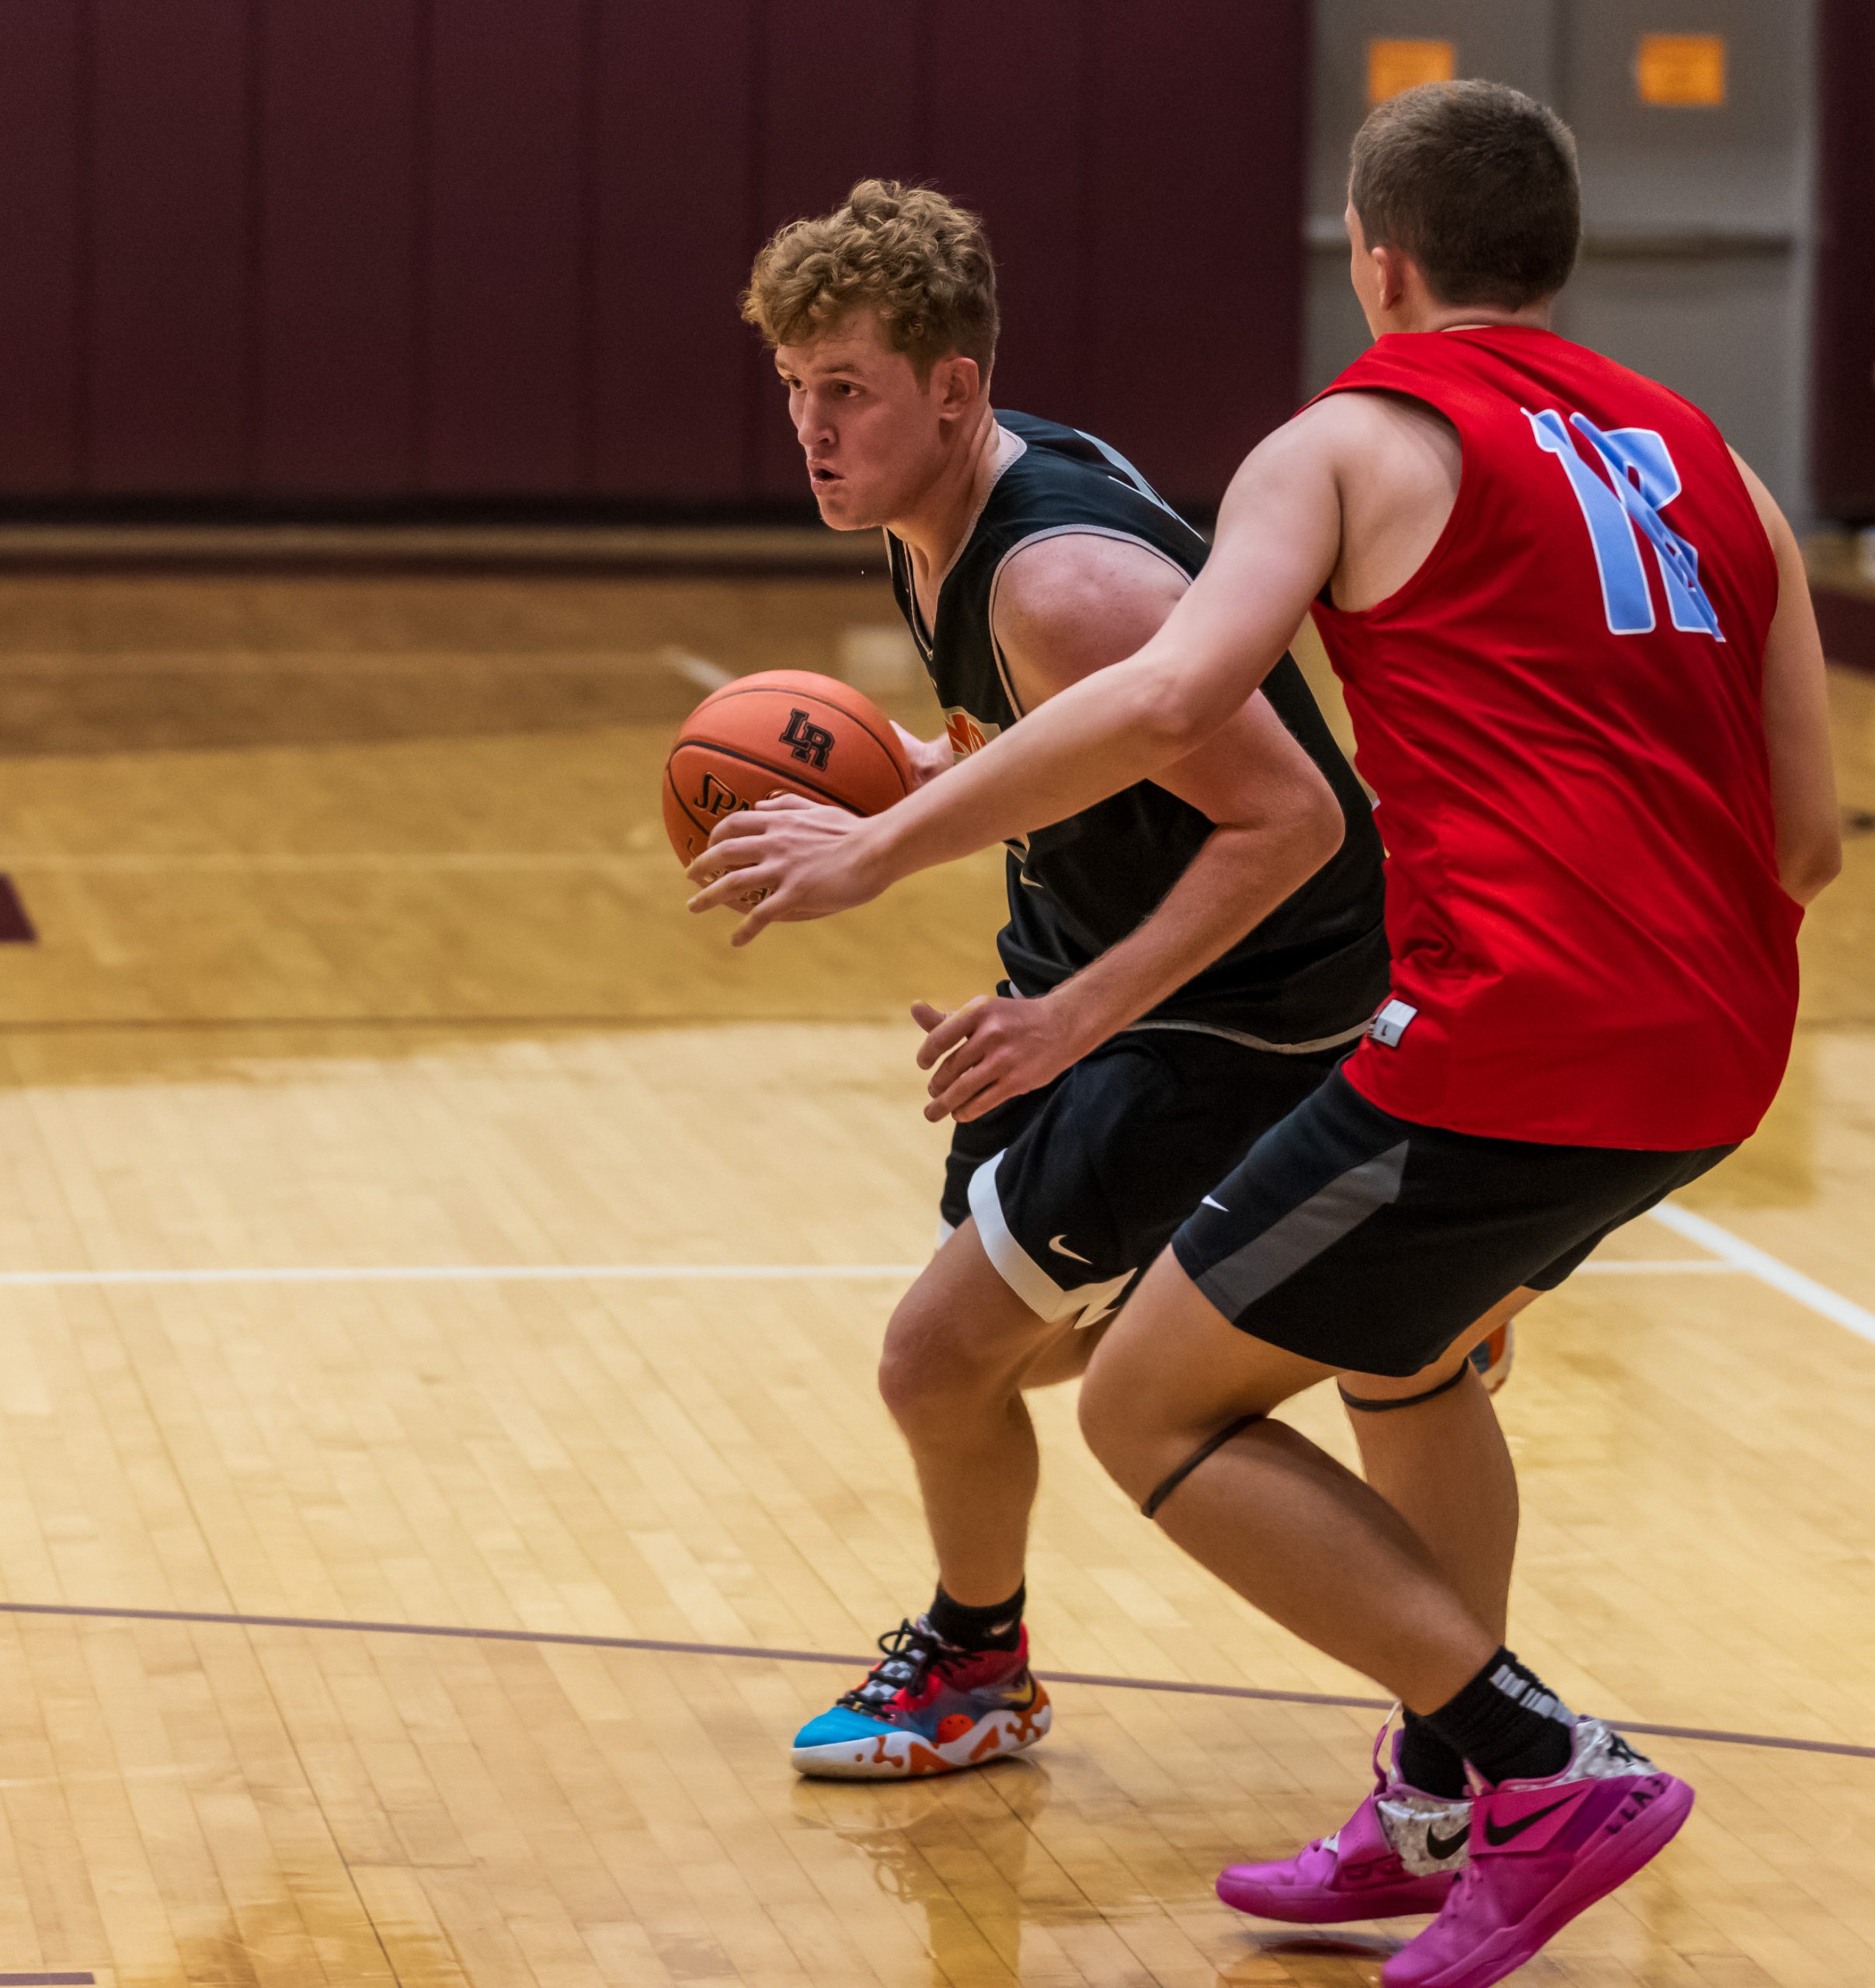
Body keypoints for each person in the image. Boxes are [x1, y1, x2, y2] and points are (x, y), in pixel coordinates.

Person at [691, 87, 1841, 1987]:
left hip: (1486, 1025)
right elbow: (1807, 841)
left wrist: (888, 844)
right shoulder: (1715, 459)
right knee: (1401, 1356)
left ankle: (1540, 1764)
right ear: (1558, 255)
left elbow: (1179, 702)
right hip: (1724, 1047)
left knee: (1142, 1399)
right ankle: (1436, 1799)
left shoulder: (1343, 443)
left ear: (1375, 263)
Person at [735, 179, 1395, 1778]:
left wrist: (1065, 1020)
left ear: (952, 388)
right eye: (794, 386)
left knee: (937, 1358)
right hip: (1087, 963)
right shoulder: (941, 510)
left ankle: (976, 1666)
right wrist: (913, 767)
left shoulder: (1058, 583)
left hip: (1229, 1010)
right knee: (994, 1355)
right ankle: (1345, 1298)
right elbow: (1058, 741)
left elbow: (1298, 821)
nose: (812, 428)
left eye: (847, 389)